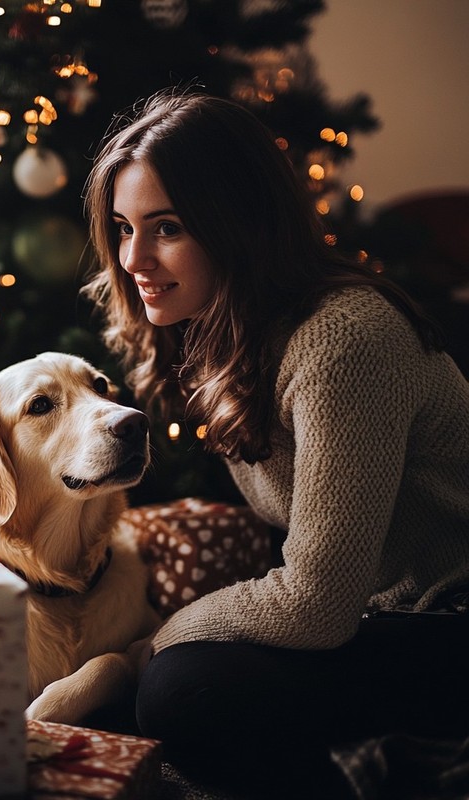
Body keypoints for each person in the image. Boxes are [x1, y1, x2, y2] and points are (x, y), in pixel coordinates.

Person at [81, 87, 469, 798]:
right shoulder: (221, 335)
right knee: (148, 689)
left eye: (166, 228)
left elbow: (317, 603)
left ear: (237, 225)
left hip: (449, 618)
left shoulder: (344, 340)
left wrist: (159, 639)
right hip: (380, 616)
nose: (134, 257)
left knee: (182, 690)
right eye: (121, 226)